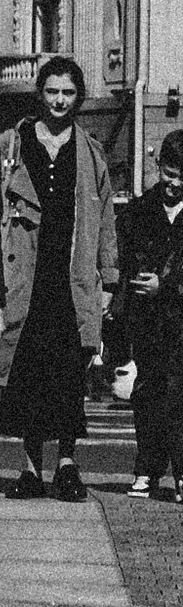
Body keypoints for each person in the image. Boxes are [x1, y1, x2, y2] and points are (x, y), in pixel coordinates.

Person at [0, 55, 121, 499]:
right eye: (52, 91)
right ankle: (30, 469)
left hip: (72, 277)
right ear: (39, 93)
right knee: (26, 373)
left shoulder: (91, 151)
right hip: (25, 274)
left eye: (68, 93)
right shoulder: (11, 143)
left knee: (68, 376)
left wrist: (109, 278)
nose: (59, 101)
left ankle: (66, 465)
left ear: (78, 97)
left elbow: (105, 218)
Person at [121, 129, 183, 499]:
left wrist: (168, 285)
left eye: (182, 177)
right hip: (147, 321)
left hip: (179, 319)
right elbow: (126, 260)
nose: (175, 184)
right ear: (158, 167)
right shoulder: (138, 211)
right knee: (147, 394)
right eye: (170, 174)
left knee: (179, 396)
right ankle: (147, 468)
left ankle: (180, 473)